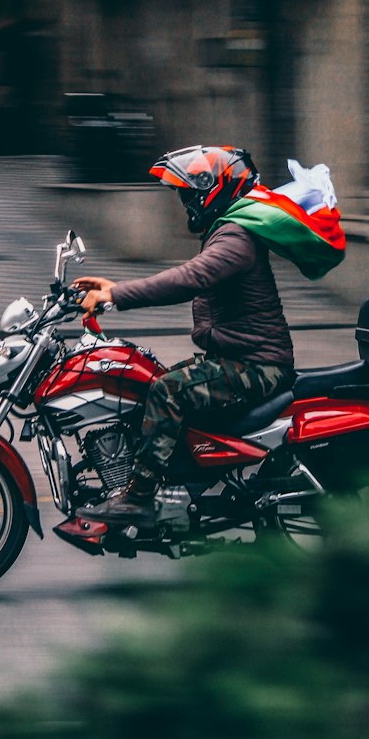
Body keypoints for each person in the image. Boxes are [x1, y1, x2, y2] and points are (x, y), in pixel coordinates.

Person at [72, 145, 296, 528]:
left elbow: (189, 278)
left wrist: (115, 295)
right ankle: (176, 481)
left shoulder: (236, 237)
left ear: (217, 190)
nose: (187, 202)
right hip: (238, 358)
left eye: (191, 194)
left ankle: (139, 497)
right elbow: (190, 273)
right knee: (149, 382)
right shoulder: (226, 232)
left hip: (258, 366)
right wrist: (115, 287)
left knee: (168, 391)